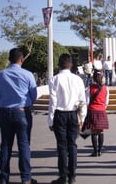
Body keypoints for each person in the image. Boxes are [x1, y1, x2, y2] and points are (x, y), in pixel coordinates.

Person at [0, 48, 38, 184]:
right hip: (22, 111)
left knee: (6, 145)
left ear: (9, 59)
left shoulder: (0, 75)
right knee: (24, 145)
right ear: (22, 59)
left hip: (5, 111)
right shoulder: (28, 74)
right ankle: (26, 177)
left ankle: (4, 177)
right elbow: (33, 94)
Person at [48, 54, 87, 184]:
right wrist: (81, 118)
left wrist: (51, 120)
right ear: (71, 65)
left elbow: (52, 102)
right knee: (73, 145)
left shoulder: (54, 79)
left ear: (59, 64)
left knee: (61, 146)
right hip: (73, 114)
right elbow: (82, 101)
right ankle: (72, 175)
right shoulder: (78, 80)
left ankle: (63, 175)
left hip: (60, 114)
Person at [85, 71, 109, 157]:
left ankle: (95, 151)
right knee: (101, 132)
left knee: (93, 132)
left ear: (93, 78)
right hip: (102, 111)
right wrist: (102, 107)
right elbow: (106, 102)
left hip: (92, 110)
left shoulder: (90, 88)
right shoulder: (106, 88)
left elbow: (87, 102)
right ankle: (100, 150)